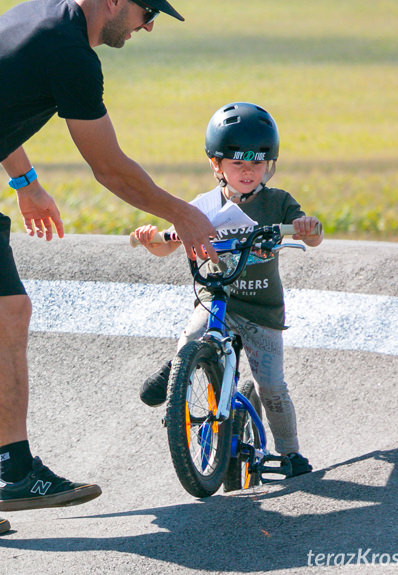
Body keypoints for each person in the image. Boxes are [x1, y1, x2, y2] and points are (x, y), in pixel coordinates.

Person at [0, 0, 218, 539]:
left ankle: (18, 471)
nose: (148, 25)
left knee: (10, 311)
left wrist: (25, 183)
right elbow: (110, 169)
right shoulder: (69, 51)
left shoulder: (41, 16)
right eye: (148, 11)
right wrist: (184, 214)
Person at [132, 102, 322, 478]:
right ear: (216, 165)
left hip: (263, 310)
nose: (248, 171)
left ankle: (290, 453)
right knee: (191, 336)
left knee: (272, 387)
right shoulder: (202, 206)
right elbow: (167, 244)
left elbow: (311, 236)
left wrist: (306, 227)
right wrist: (150, 238)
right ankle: (181, 370)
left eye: (257, 163)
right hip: (218, 300)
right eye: (237, 163)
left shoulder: (278, 202)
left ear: (269, 164)